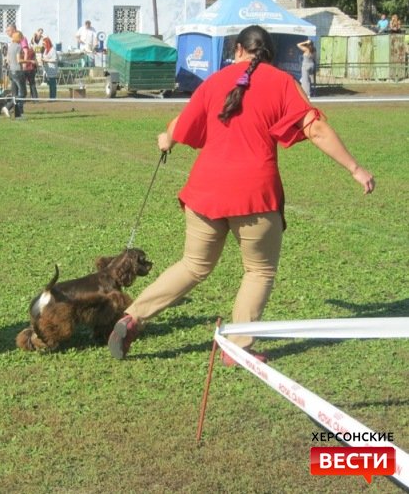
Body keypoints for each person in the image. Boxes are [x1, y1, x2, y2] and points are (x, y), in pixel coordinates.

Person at [108, 25, 375, 366]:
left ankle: (132, 317)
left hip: (204, 191)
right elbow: (316, 128)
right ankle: (237, 349)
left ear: (237, 50)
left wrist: (167, 139)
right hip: (255, 196)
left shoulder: (214, 82)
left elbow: (181, 122)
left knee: (192, 265)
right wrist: (355, 169)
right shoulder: (282, 82)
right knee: (259, 271)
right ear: (271, 54)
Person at [7, 31, 26, 119]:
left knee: (15, 94)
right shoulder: (18, 46)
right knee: (23, 93)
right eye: (21, 37)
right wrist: (30, 61)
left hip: (11, 71)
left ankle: (17, 115)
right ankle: (7, 107)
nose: (22, 38)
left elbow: (8, 60)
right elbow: (19, 60)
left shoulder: (10, 46)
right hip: (17, 71)